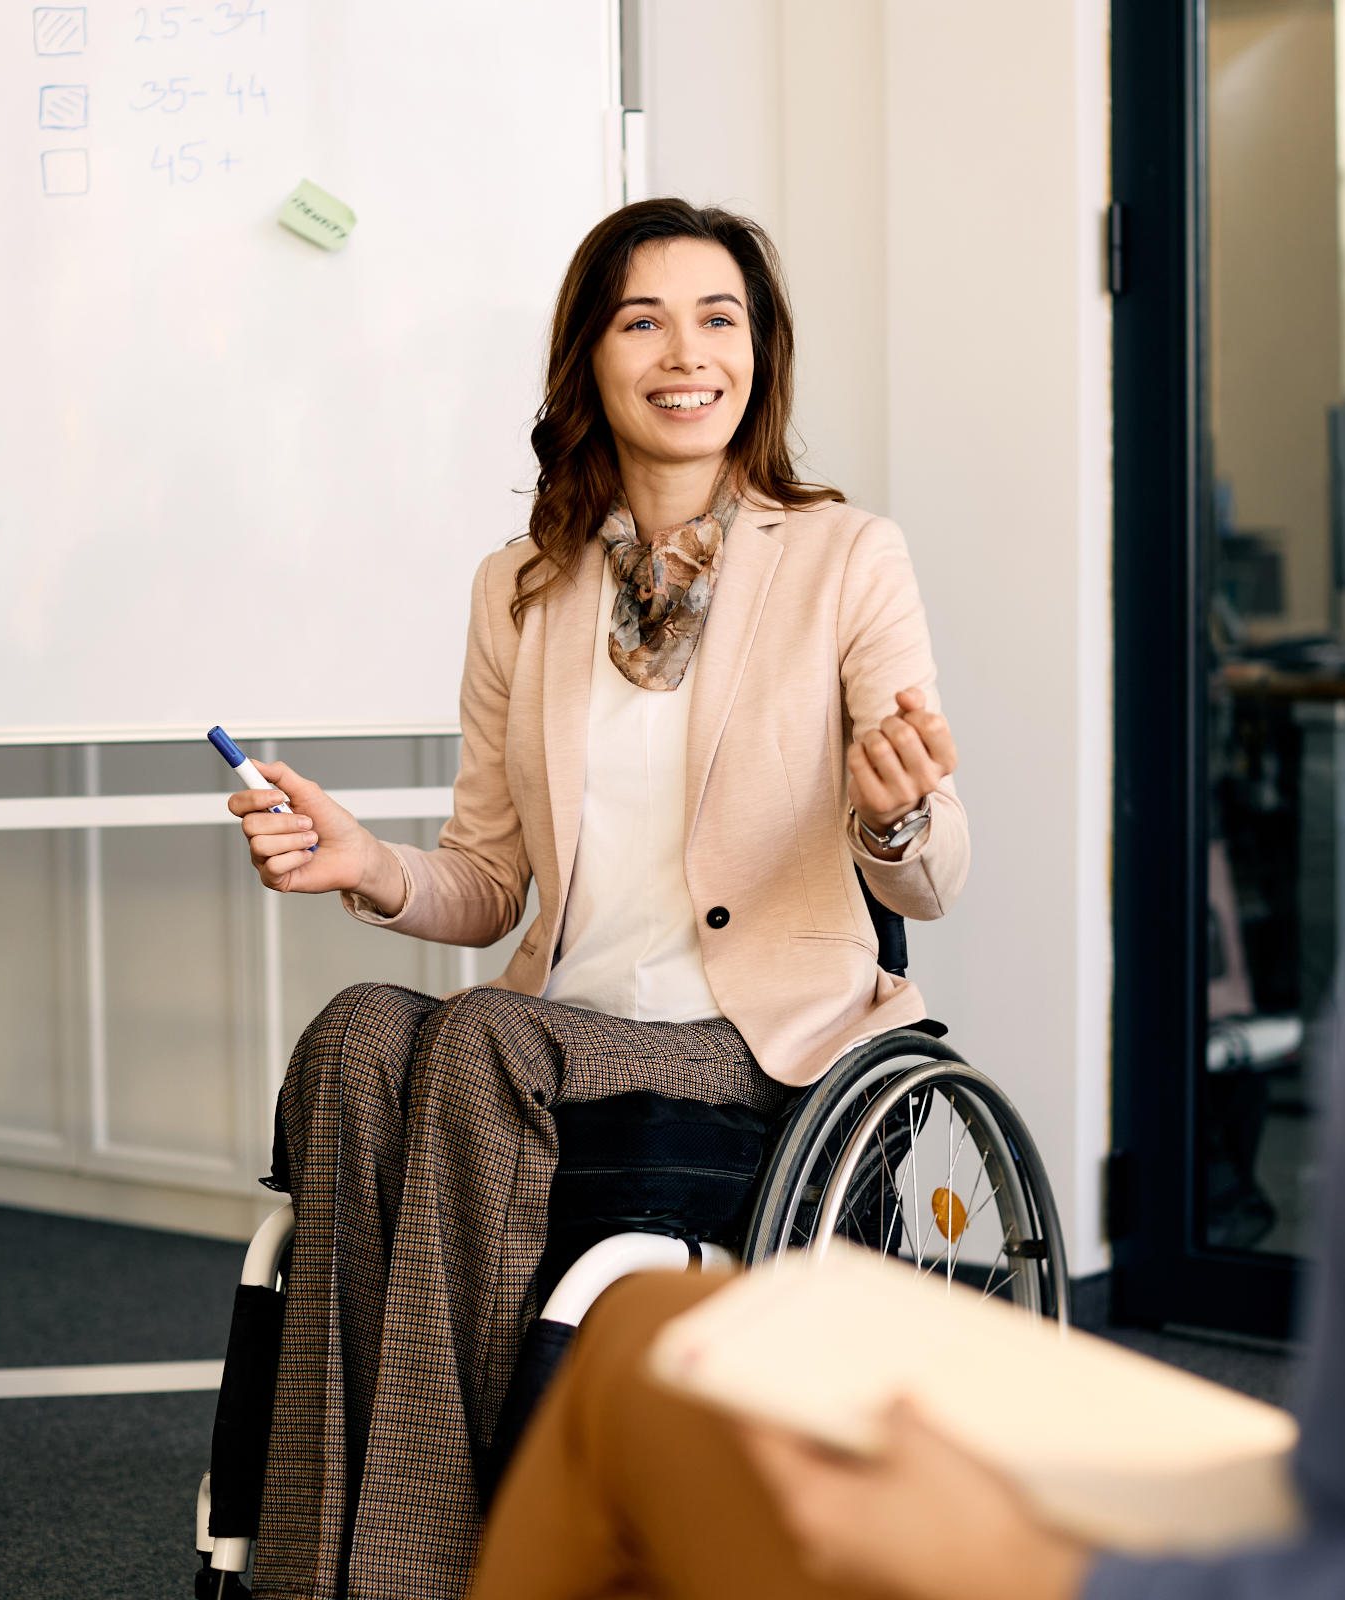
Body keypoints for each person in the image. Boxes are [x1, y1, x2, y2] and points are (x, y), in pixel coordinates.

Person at [466, 1, 1345, 1596]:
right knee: (625, 1296)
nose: (687, 354)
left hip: (1336, 1516)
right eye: (641, 322)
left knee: (647, 1379)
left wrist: (1036, 1569)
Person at [221, 198, 970, 1600]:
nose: (686, 353)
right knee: (359, 1038)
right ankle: (311, 1566)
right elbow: (493, 875)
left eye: (719, 318)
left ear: (761, 354)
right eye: (643, 320)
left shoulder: (844, 559)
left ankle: (427, 1569)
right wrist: (367, 865)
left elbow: (932, 869)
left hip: (758, 1056)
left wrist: (895, 811)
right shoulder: (521, 589)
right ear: (591, 358)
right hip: (563, 1033)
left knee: (479, 1048)